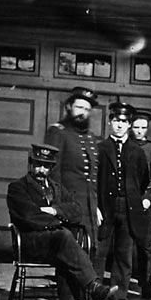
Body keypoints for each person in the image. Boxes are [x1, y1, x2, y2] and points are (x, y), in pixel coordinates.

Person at [7, 143, 116, 300]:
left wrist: (54, 210)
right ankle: (93, 286)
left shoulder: (58, 189)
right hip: (31, 244)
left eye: (46, 166)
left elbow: (77, 211)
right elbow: (29, 216)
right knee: (65, 237)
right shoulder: (17, 188)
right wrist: (59, 220)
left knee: (66, 254)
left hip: (57, 245)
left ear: (52, 168)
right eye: (38, 164)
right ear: (30, 164)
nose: (42, 170)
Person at [94, 102, 151, 300]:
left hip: (128, 209)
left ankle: (118, 299)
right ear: (110, 122)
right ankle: (94, 295)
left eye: (124, 122)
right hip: (105, 208)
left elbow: (145, 181)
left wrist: (142, 201)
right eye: (116, 121)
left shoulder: (136, 151)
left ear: (129, 125)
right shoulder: (100, 148)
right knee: (99, 253)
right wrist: (96, 207)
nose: (119, 125)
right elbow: (93, 181)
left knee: (124, 256)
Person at [44, 87, 101, 250]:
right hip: (68, 202)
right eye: (79, 107)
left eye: (87, 109)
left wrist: (95, 206)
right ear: (69, 107)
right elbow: (53, 172)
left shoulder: (90, 137)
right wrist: (59, 206)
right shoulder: (58, 132)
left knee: (88, 250)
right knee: (70, 251)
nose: (82, 113)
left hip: (88, 205)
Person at [130, 110, 151, 298]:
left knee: (146, 245)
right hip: (128, 201)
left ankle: (147, 284)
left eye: (143, 128)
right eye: (136, 127)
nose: (140, 131)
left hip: (146, 201)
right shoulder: (125, 147)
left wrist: (150, 198)